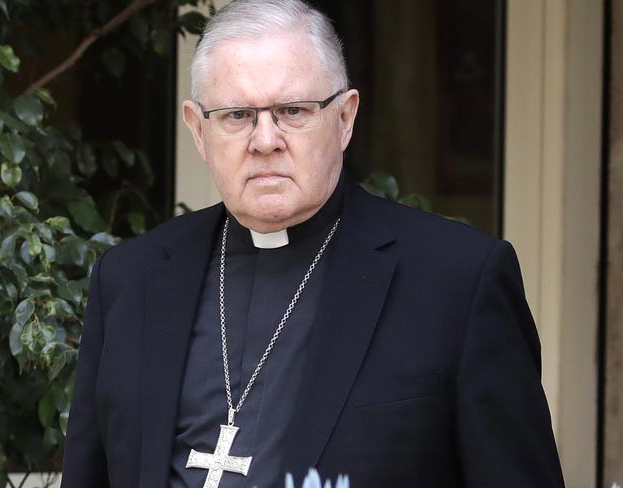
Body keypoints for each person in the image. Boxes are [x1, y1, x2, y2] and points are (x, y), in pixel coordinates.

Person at [61, 0, 565, 486]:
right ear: (198, 130)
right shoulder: (130, 279)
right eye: (236, 115)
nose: (264, 140)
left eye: (293, 111)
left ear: (344, 118)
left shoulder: (457, 282)